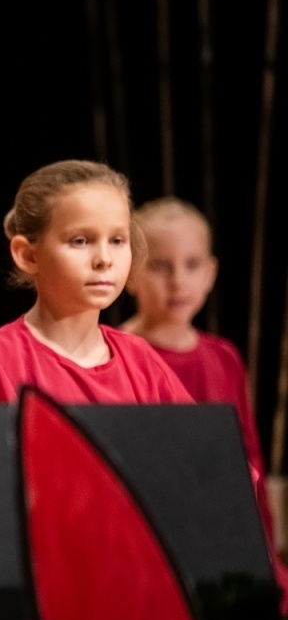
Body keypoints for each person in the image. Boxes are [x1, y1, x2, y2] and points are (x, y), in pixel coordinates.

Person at [121, 197, 283, 573]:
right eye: (160, 266)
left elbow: (248, 457)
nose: (178, 280)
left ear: (210, 274)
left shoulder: (224, 357)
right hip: (151, 544)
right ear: (130, 274)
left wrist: (265, 552)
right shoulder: (113, 354)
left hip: (223, 537)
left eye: (192, 265)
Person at [0, 160, 190, 405]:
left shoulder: (141, 360)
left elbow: (200, 440)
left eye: (117, 240)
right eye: (80, 241)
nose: (104, 259)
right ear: (28, 255)